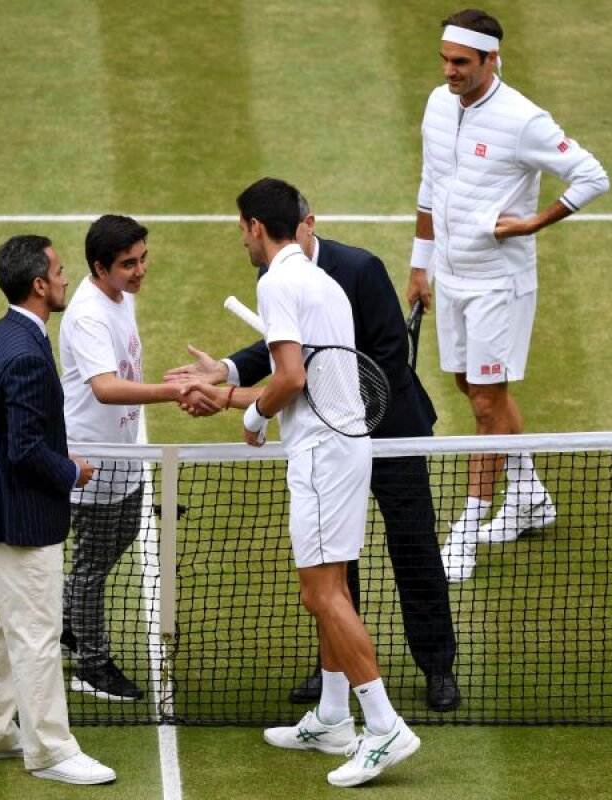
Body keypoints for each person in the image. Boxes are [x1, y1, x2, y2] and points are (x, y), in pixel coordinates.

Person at [166, 193, 459, 712]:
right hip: (335, 428)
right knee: (335, 561)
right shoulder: (280, 278)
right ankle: (338, 678)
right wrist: (229, 371)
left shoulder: (358, 269)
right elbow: (284, 349)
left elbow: (390, 357)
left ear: (307, 225)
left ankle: (437, 666)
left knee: (412, 544)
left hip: (389, 429)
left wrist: (309, 399)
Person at [194, 178, 421, 788]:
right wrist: (237, 398)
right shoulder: (323, 283)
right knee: (330, 586)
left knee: (322, 593)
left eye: (241, 229)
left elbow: (290, 378)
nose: (241, 238)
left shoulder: (276, 284)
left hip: (321, 455)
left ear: (254, 227)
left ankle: (383, 725)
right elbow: (305, 376)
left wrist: (248, 412)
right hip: (347, 446)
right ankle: (330, 717)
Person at [407, 9, 610, 581]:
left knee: (484, 407)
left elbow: (592, 175)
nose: (449, 71)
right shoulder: (437, 103)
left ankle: (466, 533)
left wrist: (533, 222)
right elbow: (431, 184)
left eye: (461, 63)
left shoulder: (524, 120)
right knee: (470, 387)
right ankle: (528, 495)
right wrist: (420, 265)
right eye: (444, 60)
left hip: (499, 283)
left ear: (492, 60)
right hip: (450, 276)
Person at [0, 234, 116, 785]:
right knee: (35, 634)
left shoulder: (0, 336)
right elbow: (25, 450)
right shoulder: (27, 353)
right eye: (60, 270)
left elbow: (10, 437)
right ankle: (50, 749)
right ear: (38, 285)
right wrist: (71, 470)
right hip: (22, 518)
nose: (67, 277)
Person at [58, 214, 216, 702]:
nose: (141, 270)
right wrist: (175, 392)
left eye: (144, 258)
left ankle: (66, 622)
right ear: (99, 267)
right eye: (129, 264)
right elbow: (105, 388)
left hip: (123, 456)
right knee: (91, 567)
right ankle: (91, 662)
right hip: (93, 462)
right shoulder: (86, 316)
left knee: (118, 538)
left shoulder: (120, 297)